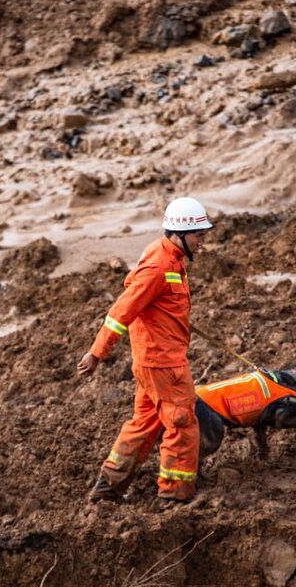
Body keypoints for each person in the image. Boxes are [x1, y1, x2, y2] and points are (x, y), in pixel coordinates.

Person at [77, 196, 214, 504]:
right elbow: (122, 311)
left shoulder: (171, 258)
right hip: (163, 364)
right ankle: (174, 494)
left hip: (154, 362)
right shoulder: (158, 265)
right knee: (182, 423)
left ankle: (108, 487)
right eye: (198, 235)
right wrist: (97, 353)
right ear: (179, 234)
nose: (202, 242)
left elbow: (158, 305)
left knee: (145, 424)